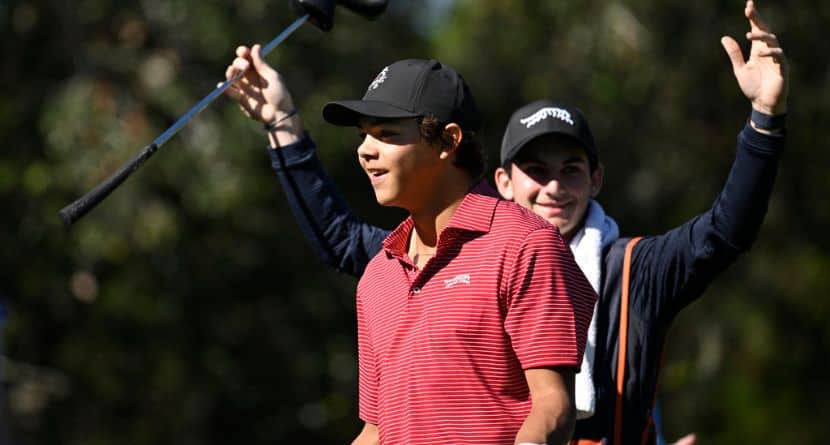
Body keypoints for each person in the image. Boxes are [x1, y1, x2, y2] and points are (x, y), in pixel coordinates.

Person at [224, 1, 787, 443]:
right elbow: (342, 241)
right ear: (502, 182)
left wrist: (764, 119)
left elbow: (724, 232)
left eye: (571, 170)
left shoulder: (632, 268)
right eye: (534, 170)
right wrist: (282, 123)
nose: (552, 187)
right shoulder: (407, 260)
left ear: (597, 180)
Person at [225, 56, 598, 444]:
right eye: (363, 136)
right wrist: (280, 119)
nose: (365, 151)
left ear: (449, 141)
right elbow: (377, 430)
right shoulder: (379, 275)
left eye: (387, 134)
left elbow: (552, 406)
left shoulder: (526, 244)